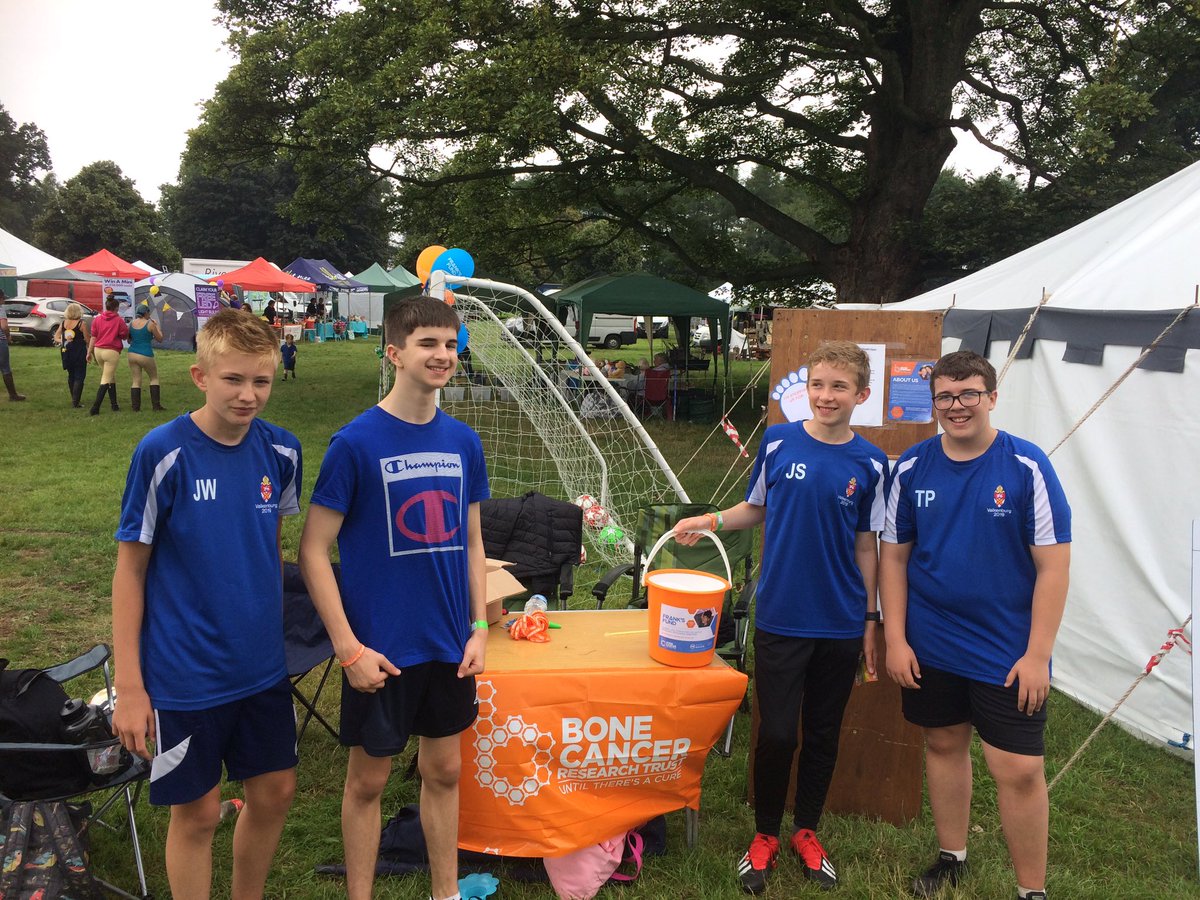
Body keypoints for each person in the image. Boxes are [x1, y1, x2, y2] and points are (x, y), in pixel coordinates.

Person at [673, 340, 889, 894]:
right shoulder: (778, 440)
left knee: (822, 733)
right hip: (781, 614)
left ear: (861, 395)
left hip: (840, 620)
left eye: (839, 387)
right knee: (774, 732)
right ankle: (765, 833)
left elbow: (868, 547)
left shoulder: (871, 463)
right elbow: (757, 508)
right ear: (805, 389)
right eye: (818, 384)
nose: (826, 395)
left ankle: (807, 829)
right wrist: (712, 519)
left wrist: (869, 620)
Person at [299, 296, 489, 900]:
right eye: (427, 343)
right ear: (395, 353)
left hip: (448, 643)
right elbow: (312, 551)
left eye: (450, 344)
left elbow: (474, 544)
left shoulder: (464, 442)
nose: (441, 355)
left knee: (446, 770)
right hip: (379, 650)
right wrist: (348, 648)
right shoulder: (354, 443)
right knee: (368, 783)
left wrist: (479, 627)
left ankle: (446, 892)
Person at [110, 309, 302, 900]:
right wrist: (133, 687)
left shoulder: (283, 452)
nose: (248, 395)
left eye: (261, 381)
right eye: (233, 380)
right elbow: (129, 570)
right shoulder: (163, 452)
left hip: (262, 668)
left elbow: (267, 546)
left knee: (274, 793)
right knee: (196, 814)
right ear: (199, 375)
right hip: (184, 675)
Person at [879, 350, 1071, 900]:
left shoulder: (1026, 466)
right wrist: (895, 638)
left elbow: (1053, 566)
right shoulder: (912, 468)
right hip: (931, 641)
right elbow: (893, 557)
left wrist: (1038, 655)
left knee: (1018, 769)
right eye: (945, 396)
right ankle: (951, 856)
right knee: (943, 745)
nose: (957, 406)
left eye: (968, 394)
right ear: (933, 402)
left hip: (1006, 649)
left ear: (991, 397)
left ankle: (1031, 890)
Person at [86, 295, 130, 415]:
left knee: (110, 377)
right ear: (116, 308)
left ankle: (114, 404)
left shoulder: (97, 319)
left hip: (98, 350)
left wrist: (89, 352)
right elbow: (124, 335)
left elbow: (93, 337)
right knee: (106, 378)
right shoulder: (118, 320)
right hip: (111, 351)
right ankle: (95, 407)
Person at [127, 303, 166, 412]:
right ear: (146, 313)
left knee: (136, 380)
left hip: (132, 353)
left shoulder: (131, 324)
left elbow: (128, 340)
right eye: (148, 313)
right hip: (145, 354)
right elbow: (160, 338)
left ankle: (135, 407)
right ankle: (156, 406)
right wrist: (157, 326)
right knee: (154, 378)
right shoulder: (150, 324)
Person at [53, 302, 90, 407]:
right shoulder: (81, 323)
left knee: (71, 375)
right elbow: (87, 339)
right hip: (79, 351)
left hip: (66, 351)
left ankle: (74, 398)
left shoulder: (63, 323)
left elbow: (56, 337)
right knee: (79, 376)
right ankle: (76, 401)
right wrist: (90, 349)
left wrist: (64, 341)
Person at [0, 289, 25, 402]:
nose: (4, 300)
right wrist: (8, 337)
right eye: (3, 298)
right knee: (5, 368)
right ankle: (13, 395)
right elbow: (4, 326)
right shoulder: (0, 309)